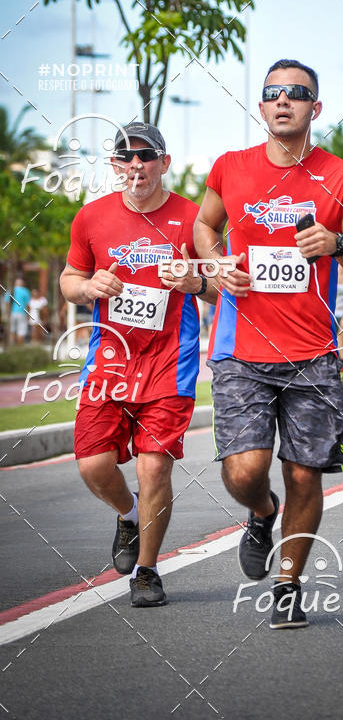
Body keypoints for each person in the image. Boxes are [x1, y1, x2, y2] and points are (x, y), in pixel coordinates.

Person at [194, 58, 343, 628]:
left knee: (305, 472)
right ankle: (260, 511)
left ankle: (288, 582)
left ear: (314, 108)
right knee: (245, 470)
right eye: (273, 93)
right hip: (240, 349)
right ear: (261, 105)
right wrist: (217, 262)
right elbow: (205, 226)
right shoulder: (231, 168)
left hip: (313, 353)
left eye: (297, 94)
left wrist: (335, 246)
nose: (284, 101)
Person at [60, 122, 216, 607]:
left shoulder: (194, 219)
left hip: (171, 361)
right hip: (109, 360)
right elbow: (69, 277)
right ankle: (127, 515)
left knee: (154, 470)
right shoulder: (90, 218)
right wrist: (88, 288)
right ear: (114, 166)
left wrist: (193, 282)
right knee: (93, 465)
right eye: (124, 158)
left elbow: (224, 287)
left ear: (164, 163)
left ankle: (147, 572)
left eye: (145, 156)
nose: (135, 166)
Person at [4, 277, 31, 345]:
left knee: (12, 330)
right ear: (22, 284)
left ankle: (12, 346)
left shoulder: (10, 290)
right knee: (21, 331)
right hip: (22, 313)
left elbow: (7, 303)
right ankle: (19, 347)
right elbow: (28, 304)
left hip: (12, 313)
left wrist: (6, 314)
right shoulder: (26, 291)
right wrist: (28, 314)